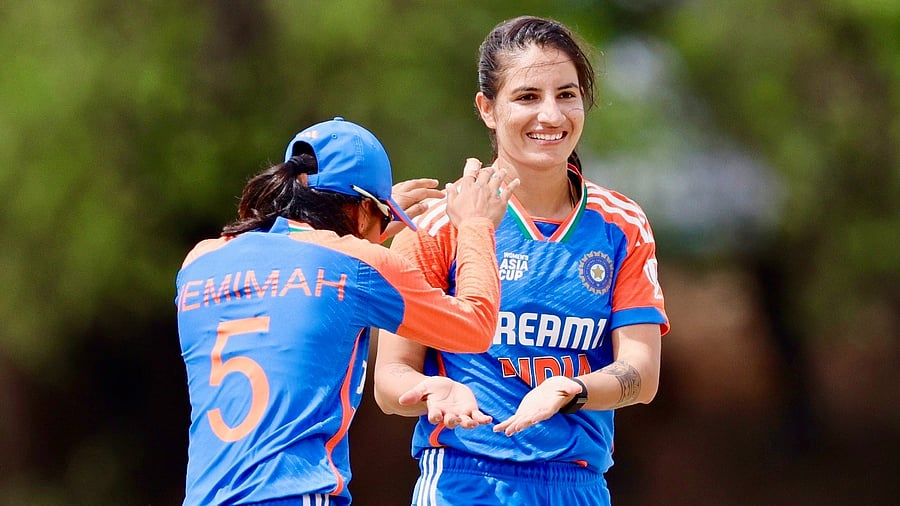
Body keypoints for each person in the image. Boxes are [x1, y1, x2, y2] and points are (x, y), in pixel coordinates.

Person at [373, 16, 670, 506]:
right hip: (464, 481)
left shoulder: (621, 224)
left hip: (578, 486)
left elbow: (641, 373)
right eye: (528, 97)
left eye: (567, 94)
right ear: (487, 109)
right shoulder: (437, 224)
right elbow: (390, 380)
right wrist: (433, 390)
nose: (551, 116)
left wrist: (570, 389)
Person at [175, 117, 518, 505]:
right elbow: (474, 327)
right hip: (297, 494)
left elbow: (294, 260)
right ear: (360, 210)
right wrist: (476, 225)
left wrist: (365, 225)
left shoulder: (199, 261)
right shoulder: (357, 263)